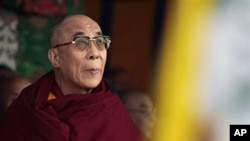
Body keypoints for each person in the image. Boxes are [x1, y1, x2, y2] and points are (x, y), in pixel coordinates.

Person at [0, 14, 145, 141]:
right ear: (55, 57)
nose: (95, 53)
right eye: (81, 42)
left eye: (100, 42)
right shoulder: (28, 108)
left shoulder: (111, 110)